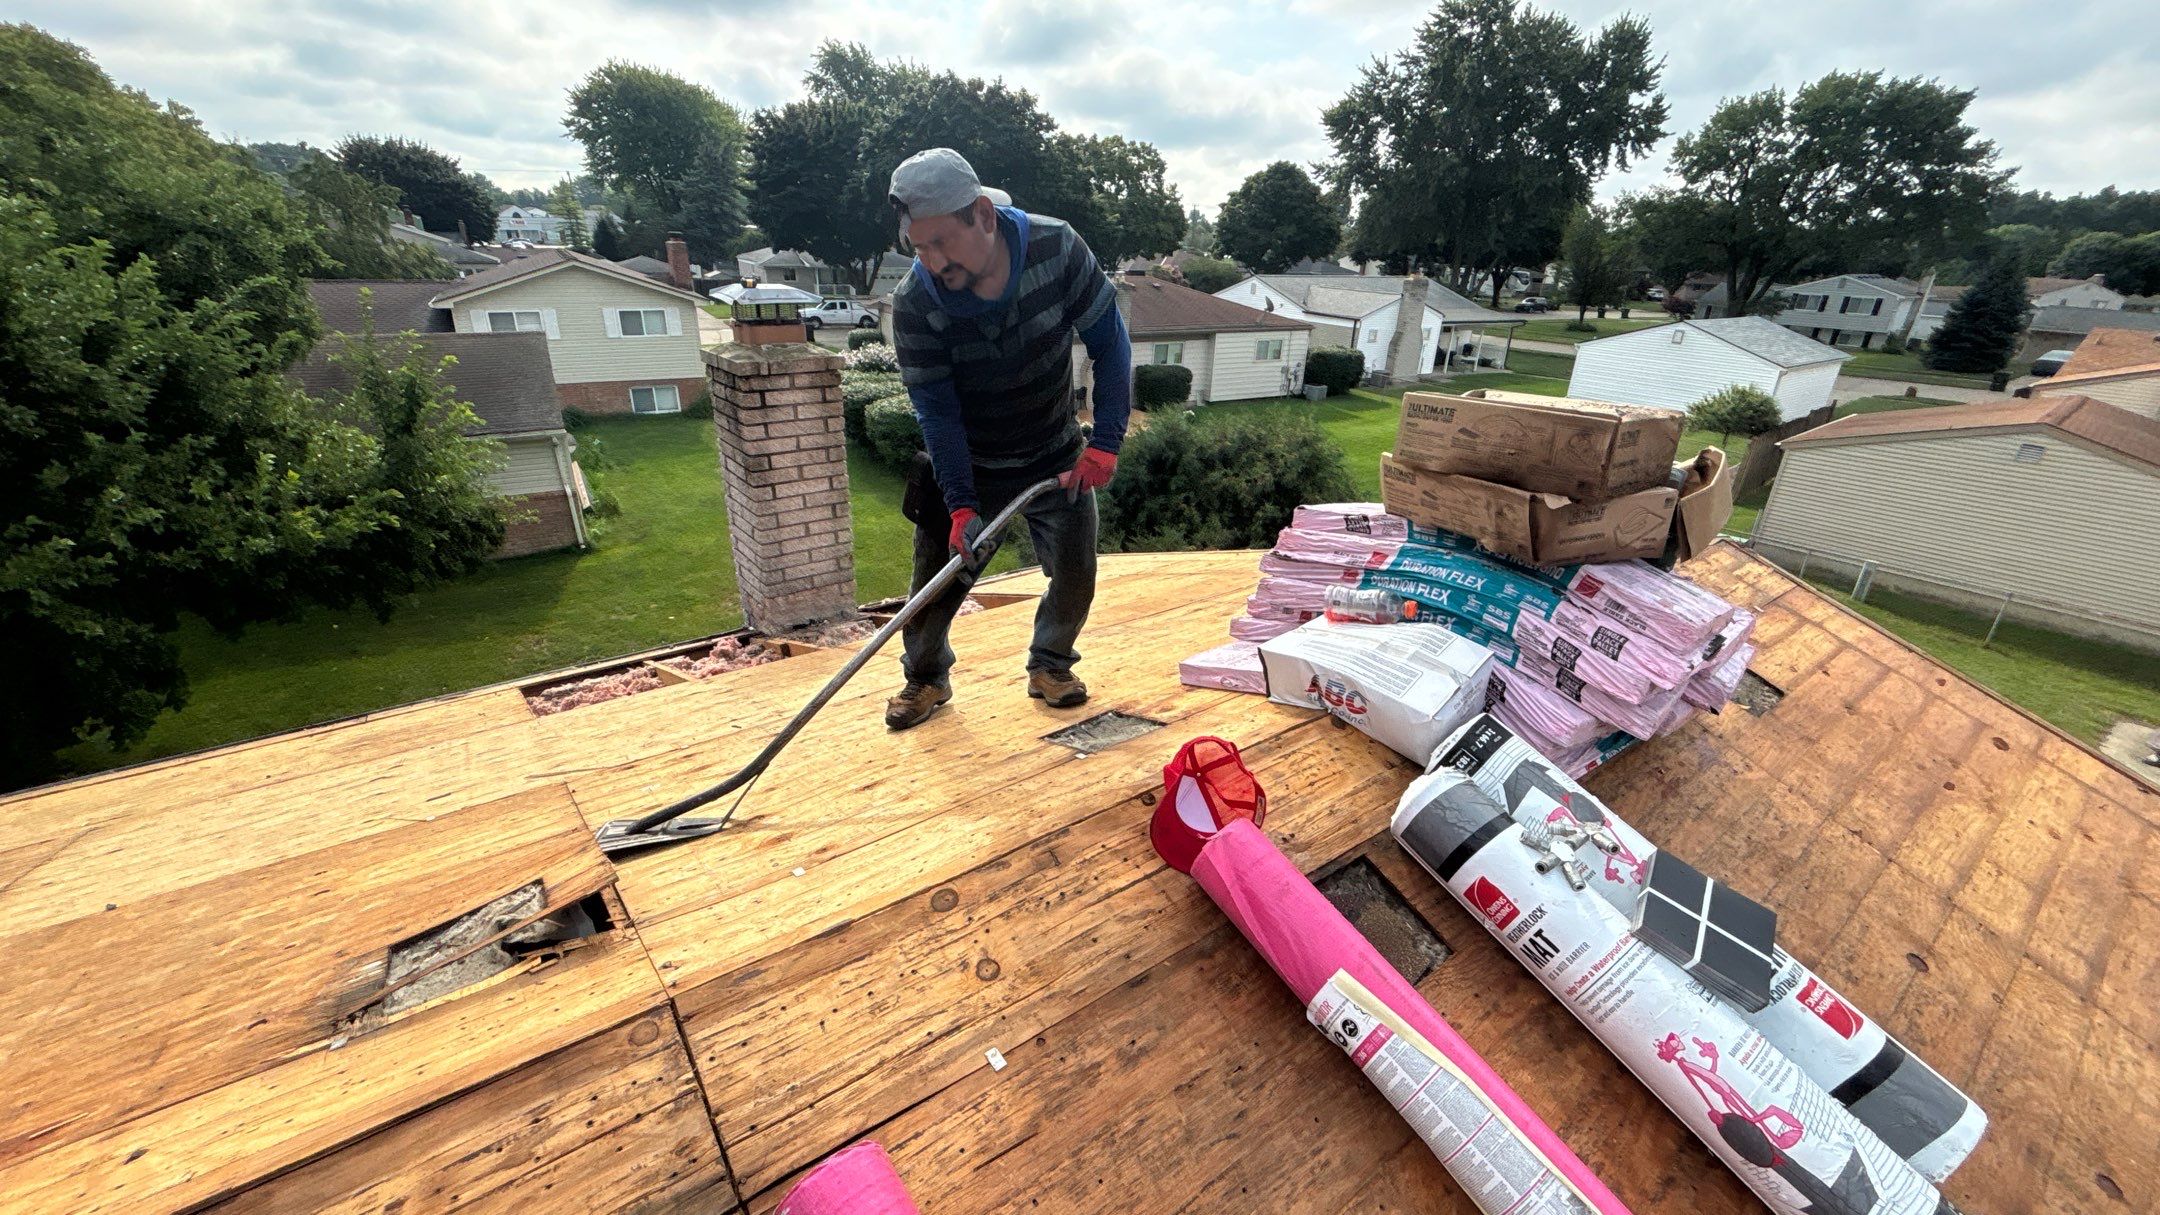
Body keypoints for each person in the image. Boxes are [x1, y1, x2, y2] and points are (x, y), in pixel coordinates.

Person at [882, 147, 1132, 730]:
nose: (932, 261)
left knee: (1075, 573)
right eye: (919, 247)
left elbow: (1110, 344)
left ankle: (1051, 665)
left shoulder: (1058, 248)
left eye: (942, 242)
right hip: (968, 462)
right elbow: (936, 411)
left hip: (1054, 453)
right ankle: (925, 678)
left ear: (983, 215)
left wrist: (1106, 442)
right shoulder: (916, 303)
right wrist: (960, 503)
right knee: (934, 585)